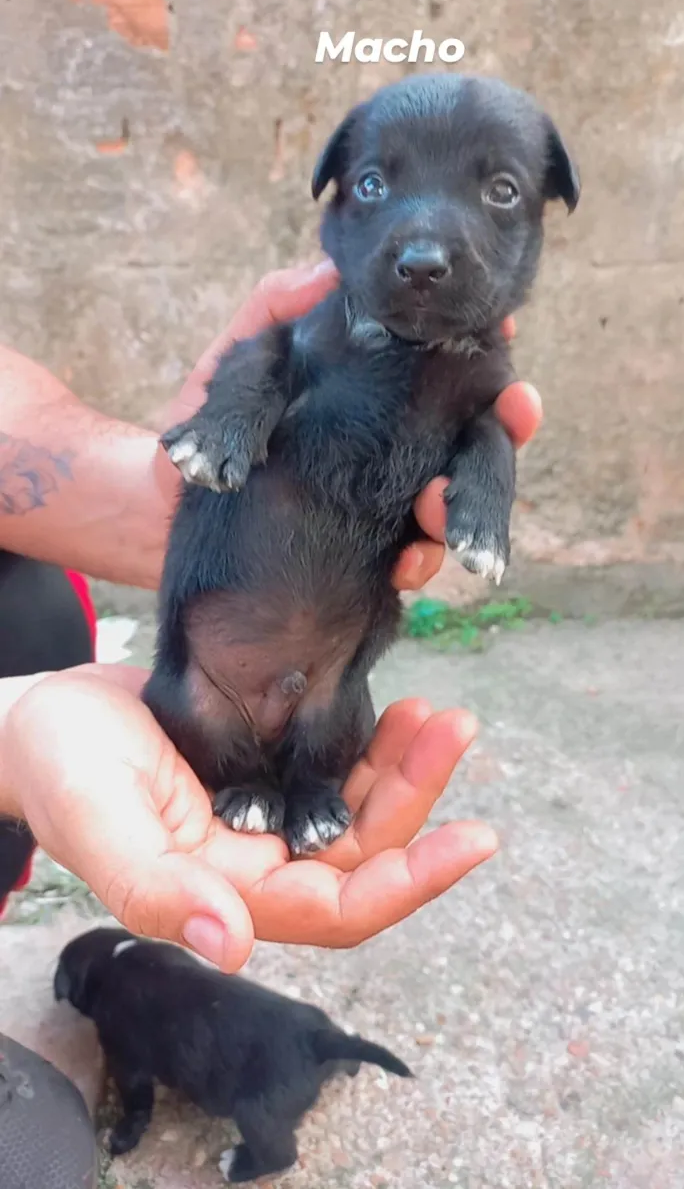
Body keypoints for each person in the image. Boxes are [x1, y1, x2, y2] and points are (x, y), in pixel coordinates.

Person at [0, 261, 541, 1187]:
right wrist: (12, 726)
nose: (429, 242)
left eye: (498, 196)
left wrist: (162, 483)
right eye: (379, 183)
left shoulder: (398, 353)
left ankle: (295, 787)